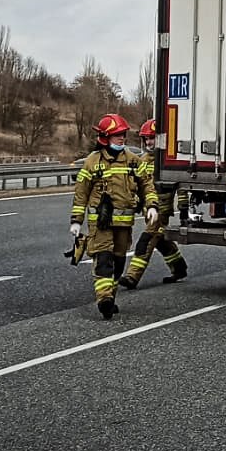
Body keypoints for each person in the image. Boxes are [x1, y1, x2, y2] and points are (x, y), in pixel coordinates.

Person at [71, 113, 158, 320]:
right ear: (105, 137)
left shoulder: (133, 161)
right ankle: (104, 299)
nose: (122, 139)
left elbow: (147, 185)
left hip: (123, 225)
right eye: (117, 135)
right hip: (100, 224)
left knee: (118, 263)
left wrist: (151, 205)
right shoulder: (93, 162)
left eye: (123, 135)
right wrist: (76, 220)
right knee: (103, 260)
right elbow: (81, 193)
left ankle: (111, 295)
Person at [123, 119, 188, 289]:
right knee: (160, 241)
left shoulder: (169, 160)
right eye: (146, 139)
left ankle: (132, 277)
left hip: (162, 210)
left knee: (147, 240)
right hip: (147, 209)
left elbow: (180, 185)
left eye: (152, 138)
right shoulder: (142, 159)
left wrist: (183, 208)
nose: (149, 142)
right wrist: (136, 201)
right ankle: (179, 268)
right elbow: (139, 183)